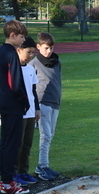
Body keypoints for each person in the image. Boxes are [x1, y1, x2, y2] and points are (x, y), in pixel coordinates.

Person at [0, 20, 30, 194]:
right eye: (22, 37)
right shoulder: (11, 54)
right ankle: (8, 182)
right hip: (12, 105)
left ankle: (5, 179)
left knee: (5, 142)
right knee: (12, 143)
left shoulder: (1, 51)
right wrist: (25, 101)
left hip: (3, 102)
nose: (23, 40)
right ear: (12, 35)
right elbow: (15, 83)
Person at [29, 32, 62, 181]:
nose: (49, 51)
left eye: (51, 48)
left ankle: (45, 165)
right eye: (46, 48)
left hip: (55, 102)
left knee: (50, 135)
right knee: (45, 135)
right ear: (39, 47)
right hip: (42, 103)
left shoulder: (57, 62)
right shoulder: (34, 64)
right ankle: (41, 167)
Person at [14, 36, 40, 186]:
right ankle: (14, 173)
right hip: (17, 112)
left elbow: (34, 91)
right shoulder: (12, 69)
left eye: (33, 53)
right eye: (29, 52)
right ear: (19, 50)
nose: (31, 55)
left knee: (27, 144)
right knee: (17, 143)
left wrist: (36, 108)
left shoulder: (30, 69)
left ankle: (23, 171)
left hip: (30, 113)